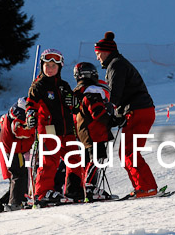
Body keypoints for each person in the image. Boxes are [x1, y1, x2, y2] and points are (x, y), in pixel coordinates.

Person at [94, 31, 158, 198]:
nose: (97, 57)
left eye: (98, 53)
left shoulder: (116, 65)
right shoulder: (117, 63)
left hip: (137, 110)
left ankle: (145, 188)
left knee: (129, 152)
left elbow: (115, 93)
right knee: (128, 152)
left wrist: (111, 112)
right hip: (139, 109)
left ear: (105, 51)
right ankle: (144, 187)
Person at [25, 48, 84, 206]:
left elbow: (74, 105)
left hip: (67, 130)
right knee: (50, 161)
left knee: (74, 160)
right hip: (49, 129)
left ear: (59, 68)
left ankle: (74, 190)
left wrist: (75, 103)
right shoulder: (39, 85)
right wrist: (30, 115)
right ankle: (42, 193)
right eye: (47, 65)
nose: (50, 69)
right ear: (42, 66)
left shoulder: (64, 86)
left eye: (53, 66)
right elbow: (30, 105)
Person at [72, 62, 115, 200]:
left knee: (93, 159)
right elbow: (97, 111)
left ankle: (90, 188)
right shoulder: (92, 91)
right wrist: (112, 119)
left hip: (85, 132)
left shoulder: (79, 92)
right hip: (94, 132)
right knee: (97, 159)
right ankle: (90, 187)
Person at [0, 97, 35, 212]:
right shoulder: (19, 114)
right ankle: (15, 203)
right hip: (14, 150)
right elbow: (18, 131)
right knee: (19, 174)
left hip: (11, 149)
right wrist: (33, 129)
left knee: (19, 175)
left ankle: (6, 205)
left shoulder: (14, 111)